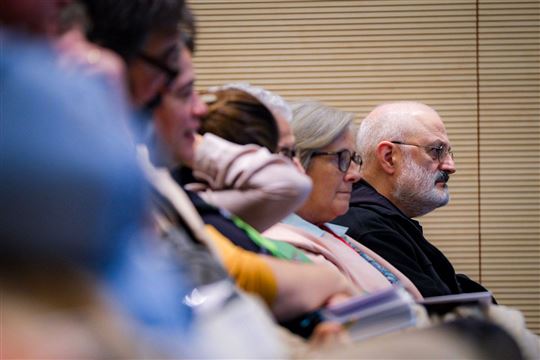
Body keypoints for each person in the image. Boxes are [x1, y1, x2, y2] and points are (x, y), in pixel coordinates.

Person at [263, 100, 423, 300]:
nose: (355, 175)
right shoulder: (282, 246)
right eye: (341, 158)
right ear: (296, 161)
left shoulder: (326, 230)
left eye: (354, 159)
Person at [332, 101, 486, 298]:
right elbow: (438, 317)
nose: (450, 166)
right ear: (389, 157)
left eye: (448, 152)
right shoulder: (370, 230)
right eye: (437, 150)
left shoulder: (383, 222)